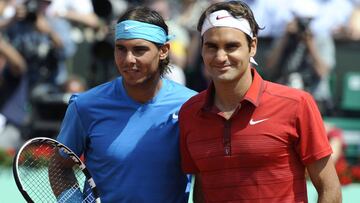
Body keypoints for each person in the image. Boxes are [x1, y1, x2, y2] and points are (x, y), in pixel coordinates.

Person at [179, 1, 341, 202]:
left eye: (231, 46)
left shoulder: (297, 103)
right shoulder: (189, 112)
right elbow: (203, 188)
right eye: (211, 46)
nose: (220, 57)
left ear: (252, 46)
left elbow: (330, 189)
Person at [55, 6, 197, 202]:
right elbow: (59, 165)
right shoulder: (85, 105)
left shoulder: (191, 105)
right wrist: (71, 201)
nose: (128, 59)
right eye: (121, 49)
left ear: (163, 51)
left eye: (139, 50)